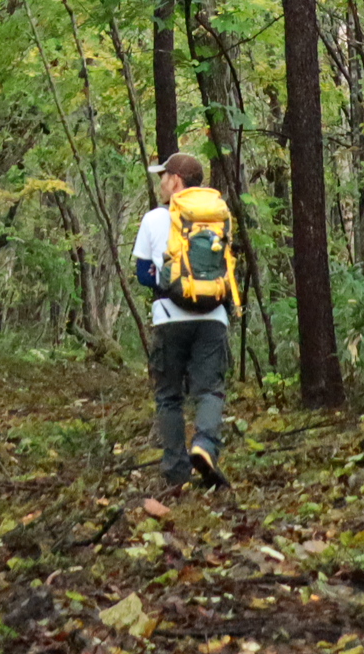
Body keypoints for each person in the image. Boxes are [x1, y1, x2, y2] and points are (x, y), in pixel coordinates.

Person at [132, 151, 231, 489]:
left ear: (175, 180)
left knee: (169, 396)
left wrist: (168, 282)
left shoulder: (154, 219)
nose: (160, 182)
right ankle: (204, 446)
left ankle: (176, 473)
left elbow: (143, 274)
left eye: (163, 176)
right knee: (210, 391)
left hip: (170, 319)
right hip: (214, 317)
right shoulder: (218, 217)